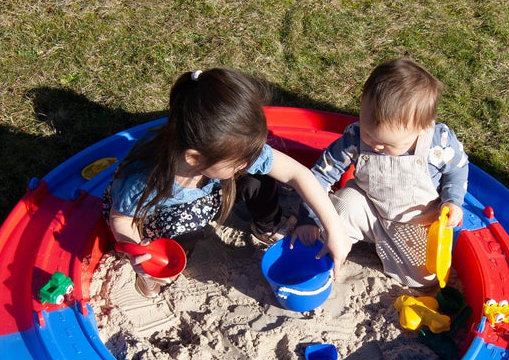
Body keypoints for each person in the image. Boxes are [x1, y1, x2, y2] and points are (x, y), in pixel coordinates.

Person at [104, 67, 351, 298]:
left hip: (207, 188)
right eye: (237, 161)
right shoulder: (143, 180)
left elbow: (298, 174)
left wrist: (334, 228)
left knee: (258, 176)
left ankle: (267, 225)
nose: (246, 162)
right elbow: (121, 219)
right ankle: (151, 276)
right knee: (180, 235)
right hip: (157, 215)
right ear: (194, 158)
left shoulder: (222, 152)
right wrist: (138, 250)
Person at [293, 57, 469, 288]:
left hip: (414, 222)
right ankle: (340, 245)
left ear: (423, 127)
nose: (376, 146)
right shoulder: (355, 138)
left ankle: (388, 250)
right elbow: (320, 176)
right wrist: (309, 218)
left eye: (388, 145)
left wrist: (452, 201)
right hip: (368, 208)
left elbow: (457, 171)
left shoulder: (438, 143)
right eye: (369, 134)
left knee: (424, 279)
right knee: (343, 206)